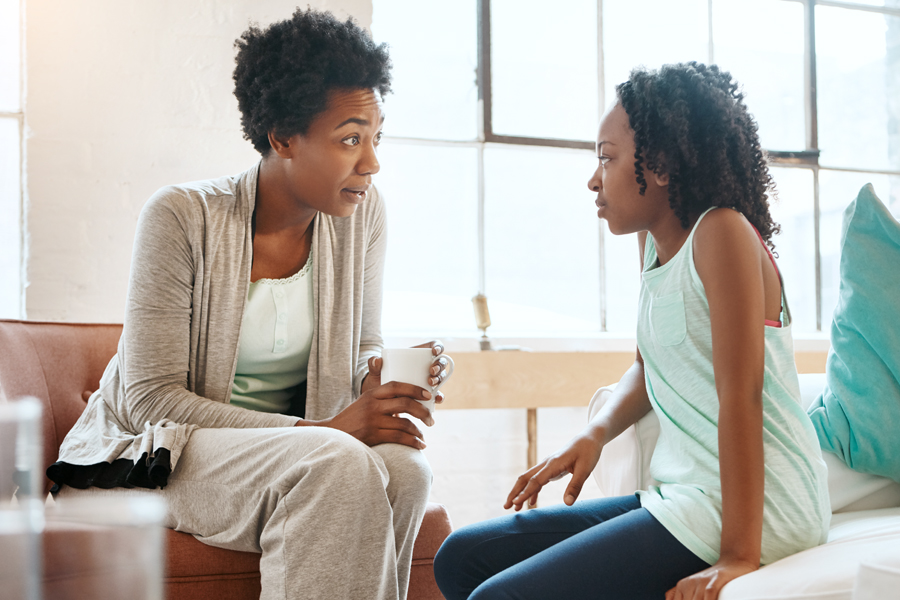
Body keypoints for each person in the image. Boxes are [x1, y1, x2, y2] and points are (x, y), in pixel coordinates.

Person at [47, 9, 451, 600]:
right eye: (349, 139)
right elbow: (148, 400)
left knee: (406, 471)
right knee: (334, 463)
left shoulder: (362, 214)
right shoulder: (181, 217)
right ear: (283, 136)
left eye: (376, 138)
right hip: (155, 454)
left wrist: (377, 375)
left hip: (294, 450)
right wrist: (323, 430)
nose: (371, 162)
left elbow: (362, 339)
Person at [433, 62, 830, 600]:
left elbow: (743, 394)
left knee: (496, 597)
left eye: (606, 157)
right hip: (684, 496)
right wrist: (592, 434)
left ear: (661, 165)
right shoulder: (650, 244)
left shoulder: (723, 233)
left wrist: (738, 558)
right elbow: (647, 368)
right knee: (462, 557)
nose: (594, 179)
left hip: (761, 509)